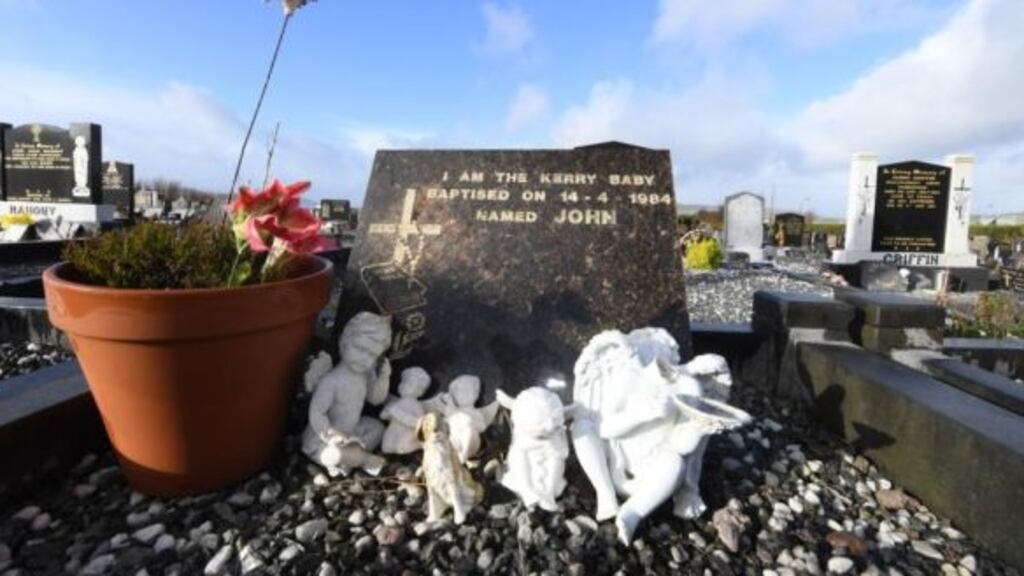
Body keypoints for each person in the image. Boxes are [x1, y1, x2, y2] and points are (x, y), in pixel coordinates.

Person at [302, 312, 392, 476]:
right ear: (344, 342)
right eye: (360, 349)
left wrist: (384, 378)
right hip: (324, 440)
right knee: (333, 454)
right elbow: (317, 412)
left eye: (372, 355)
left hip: (352, 432)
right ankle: (363, 460)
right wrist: (329, 436)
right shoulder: (331, 381)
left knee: (378, 428)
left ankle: (353, 459)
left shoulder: (365, 376)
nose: (365, 358)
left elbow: (376, 399)